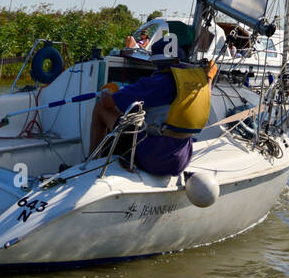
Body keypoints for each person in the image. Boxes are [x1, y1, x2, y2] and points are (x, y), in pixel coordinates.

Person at [90, 34, 216, 176]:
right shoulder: (196, 85)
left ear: (154, 62)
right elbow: (207, 93)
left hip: (153, 158)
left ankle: (90, 161)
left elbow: (108, 103)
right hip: (180, 159)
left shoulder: (150, 84)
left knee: (100, 107)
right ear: (178, 59)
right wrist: (209, 78)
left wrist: (107, 91)